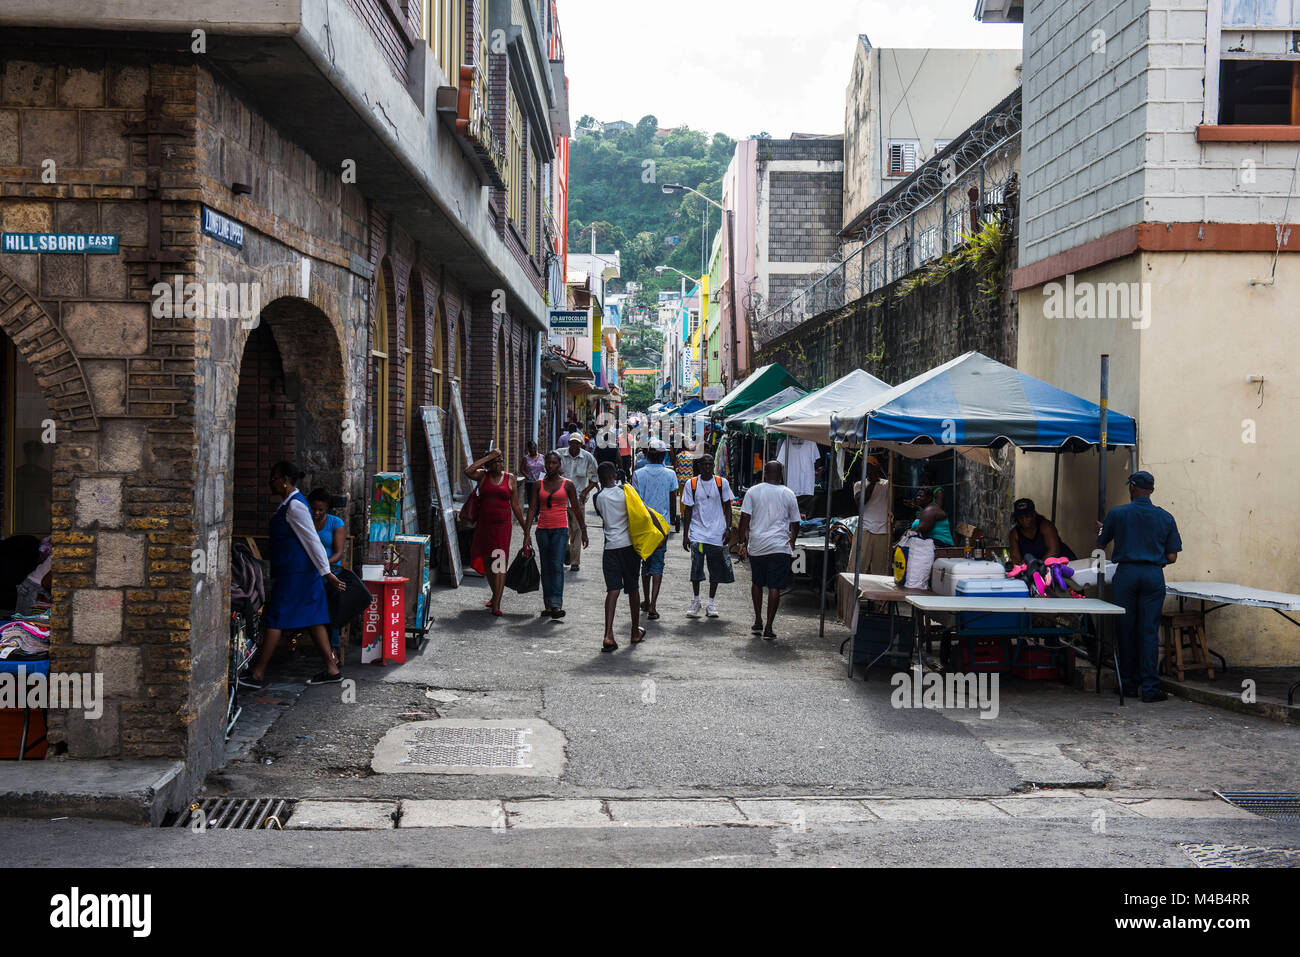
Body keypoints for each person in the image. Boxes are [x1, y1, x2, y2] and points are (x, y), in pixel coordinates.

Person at [243, 461, 347, 688]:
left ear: (284, 480)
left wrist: (327, 572)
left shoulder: (296, 506)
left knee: (275, 619)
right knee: (314, 619)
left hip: (296, 574)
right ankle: (332, 668)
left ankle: (257, 673)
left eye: (273, 478)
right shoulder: (290, 504)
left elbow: (312, 540)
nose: (271, 482)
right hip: (297, 572)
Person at [1096, 471, 1182, 703]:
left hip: (1127, 575)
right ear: (1151, 490)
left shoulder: (1118, 514)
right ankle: (1151, 689)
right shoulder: (1166, 517)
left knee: (1126, 629)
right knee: (1149, 632)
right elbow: (1172, 556)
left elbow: (1101, 542)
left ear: (1132, 488)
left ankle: (1129, 685)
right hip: (1153, 575)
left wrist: (1103, 529)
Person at [738, 461, 803, 640]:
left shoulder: (753, 491)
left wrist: (742, 543)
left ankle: (758, 620)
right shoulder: (788, 493)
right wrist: (792, 541)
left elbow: (744, 518)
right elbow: (795, 523)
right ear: (781, 474)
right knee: (775, 586)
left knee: (757, 583)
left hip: (757, 546)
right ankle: (768, 627)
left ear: (764, 473)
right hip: (779, 547)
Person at [524, 451, 587, 620]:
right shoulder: (538, 484)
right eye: (548, 463)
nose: (550, 466)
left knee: (557, 566)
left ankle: (556, 604)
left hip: (560, 529)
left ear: (559, 465)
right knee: (546, 567)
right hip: (543, 530)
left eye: (554, 463)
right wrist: (526, 533)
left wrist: (583, 530)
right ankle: (548, 604)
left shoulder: (568, 484)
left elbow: (575, 507)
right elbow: (532, 509)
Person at [465, 448, 526, 616]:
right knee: (489, 563)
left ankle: (497, 603)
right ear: (488, 465)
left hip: (502, 527)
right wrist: (488, 457)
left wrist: (525, 528)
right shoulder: (482, 476)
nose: (498, 464)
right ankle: (495, 594)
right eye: (494, 462)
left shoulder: (510, 478)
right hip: (484, 526)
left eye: (500, 461)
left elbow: (515, 505)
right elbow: (468, 471)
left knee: (499, 562)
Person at [592, 462, 645, 652]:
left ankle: (608, 634)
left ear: (600, 478)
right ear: (615, 475)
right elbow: (640, 512)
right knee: (633, 588)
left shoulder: (597, 498)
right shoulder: (626, 491)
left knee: (612, 590)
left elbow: (603, 517)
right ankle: (634, 631)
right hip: (629, 547)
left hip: (610, 548)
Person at [681, 452, 735, 619]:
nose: (707, 467)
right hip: (698, 533)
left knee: (715, 568)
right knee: (696, 567)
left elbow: (727, 507)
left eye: (710, 464)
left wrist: (728, 528)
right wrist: (686, 534)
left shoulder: (721, 483)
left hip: (716, 533)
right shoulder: (692, 484)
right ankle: (696, 600)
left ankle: (711, 602)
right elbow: (688, 510)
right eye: (704, 464)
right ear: (699, 466)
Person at [632, 439, 677, 620]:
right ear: (663, 455)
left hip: (643, 525)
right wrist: (673, 520)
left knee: (646, 562)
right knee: (658, 564)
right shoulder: (670, 474)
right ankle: (653, 605)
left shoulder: (638, 474)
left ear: (648, 455)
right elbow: (672, 498)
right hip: (662, 525)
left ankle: (646, 599)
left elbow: (635, 501)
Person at [307, 488, 347, 658]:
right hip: (307, 569)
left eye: (320, 510)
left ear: (327, 509)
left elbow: (338, 553)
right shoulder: (305, 521)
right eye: (313, 509)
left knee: (331, 604)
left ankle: (334, 648)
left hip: (330, 570)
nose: (316, 512)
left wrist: (322, 564)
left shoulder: (335, 523)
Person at [553, 433, 599, 571]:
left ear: (581, 445)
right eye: (572, 443)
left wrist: (585, 491)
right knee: (561, 530)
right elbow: (548, 466)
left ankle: (575, 561)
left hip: (578, 499)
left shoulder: (588, 458)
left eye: (577, 443)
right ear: (569, 443)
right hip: (560, 498)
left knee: (577, 529)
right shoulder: (559, 454)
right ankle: (565, 552)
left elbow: (594, 479)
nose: (574, 446)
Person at [852, 455, 891, 574]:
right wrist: (872, 483)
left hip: (883, 531)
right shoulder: (859, 484)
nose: (868, 470)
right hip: (864, 529)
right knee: (858, 567)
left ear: (877, 468)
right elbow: (861, 503)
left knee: (880, 570)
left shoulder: (887, 485)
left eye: (871, 467)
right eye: (866, 467)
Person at [1008, 498, 1077, 563]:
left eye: (1027, 516)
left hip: (1064, 563)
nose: (1024, 520)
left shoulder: (1046, 526)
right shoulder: (1014, 534)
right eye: (1021, 518)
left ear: (1034, 515)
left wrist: (1040, 566)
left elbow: (1054, 551)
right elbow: (1016, 559)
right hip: (1035, 570)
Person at [521, 439, 545, 524]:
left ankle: (537, 515)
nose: (533, 450)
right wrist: (527, 475)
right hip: (530, 482)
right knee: (532, 499)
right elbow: (522, 469)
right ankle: (533, 514)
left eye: (534, 448)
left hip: (540, 481)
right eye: (531, 448)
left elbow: (545, 468)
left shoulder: (542, 457)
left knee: (540, 498)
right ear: (528, 449)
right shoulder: (526, 458)